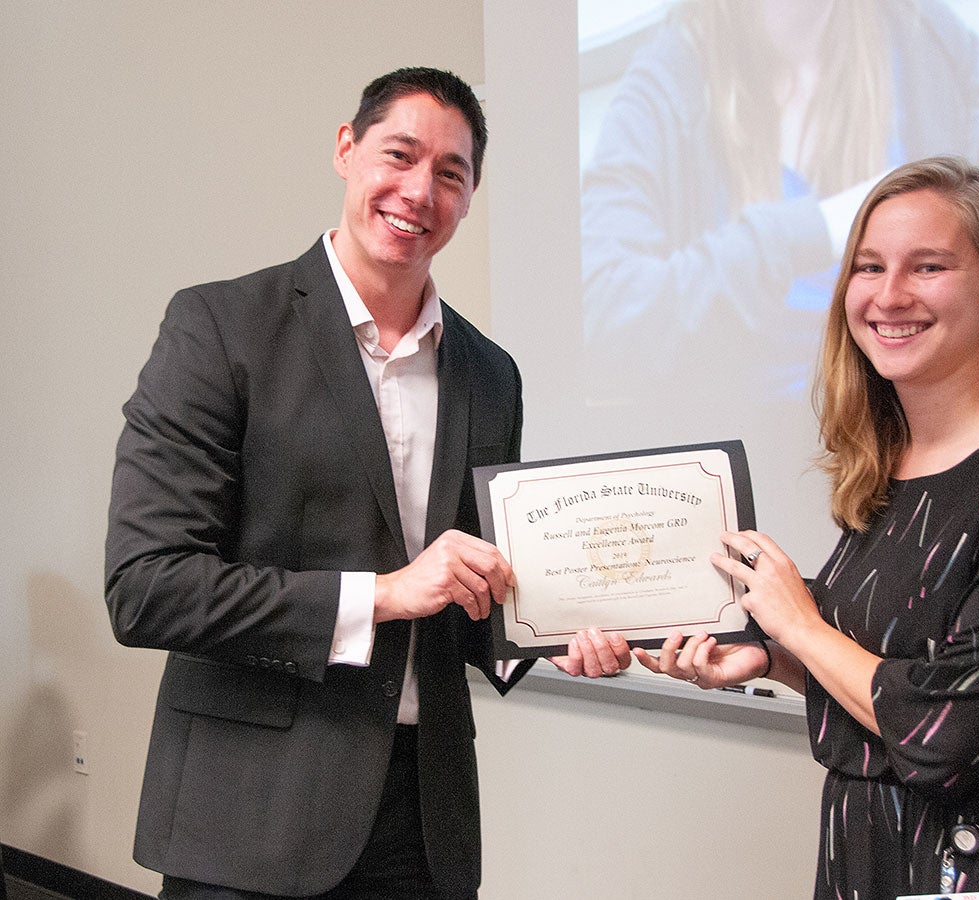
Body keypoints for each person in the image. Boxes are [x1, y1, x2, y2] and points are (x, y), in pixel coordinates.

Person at [105, 67, 629, 900]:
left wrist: (554, 633)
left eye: (450, 173)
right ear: (347, 149)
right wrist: (383, 594)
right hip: (250, 818)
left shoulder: (491, 374)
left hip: (423, 822)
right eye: (400, 155)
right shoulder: (220, 327)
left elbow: (472, 599)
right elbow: (148, 588)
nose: (420, 191)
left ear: (469, 197)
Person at [638, 157, 979, 899]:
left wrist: (800, 627)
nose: (889, 295)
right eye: (869, 267)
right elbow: (892, 671)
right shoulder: (885, 463)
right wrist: (770, 657)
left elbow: (948, 730)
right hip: (865, 852)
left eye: (928, 266)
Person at [581, 0, 979, 402]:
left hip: (913, 422)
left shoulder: (928, 46)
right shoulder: (667, 84)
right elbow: (608, 314)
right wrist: (817, 230)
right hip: (750, 432)